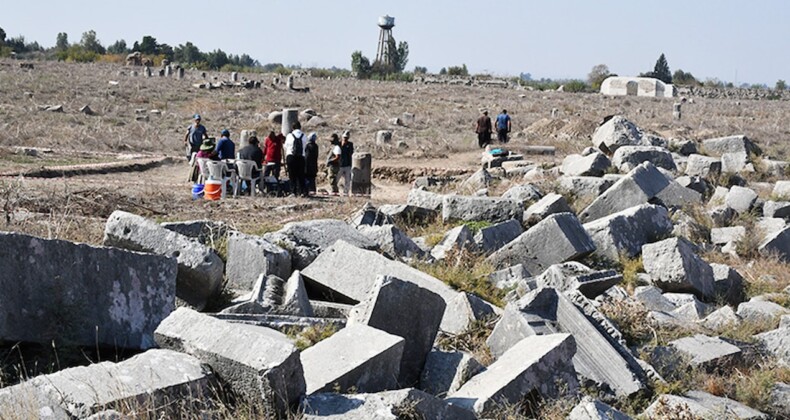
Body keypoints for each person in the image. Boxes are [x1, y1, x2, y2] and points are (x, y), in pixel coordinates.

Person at [284, 121, 306, 197]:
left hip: (291, 156)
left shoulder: (289, 135)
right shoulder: (304, 135)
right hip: (301, 157)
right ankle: (302, 192)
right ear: (300, 127)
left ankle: (293, 192)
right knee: (301, 175)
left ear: (292, 128)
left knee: (292, 175)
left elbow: (286, 146)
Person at [338, 130, 354, 196]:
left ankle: (346, 193)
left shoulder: (350, 144)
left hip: (347, 165)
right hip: (340, 165)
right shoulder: (338, 144)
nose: (345, 139)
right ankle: (335, 191)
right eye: (344, 138)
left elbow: (351, 153)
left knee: (347, 180)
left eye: (346, 138)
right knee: (336, 179)